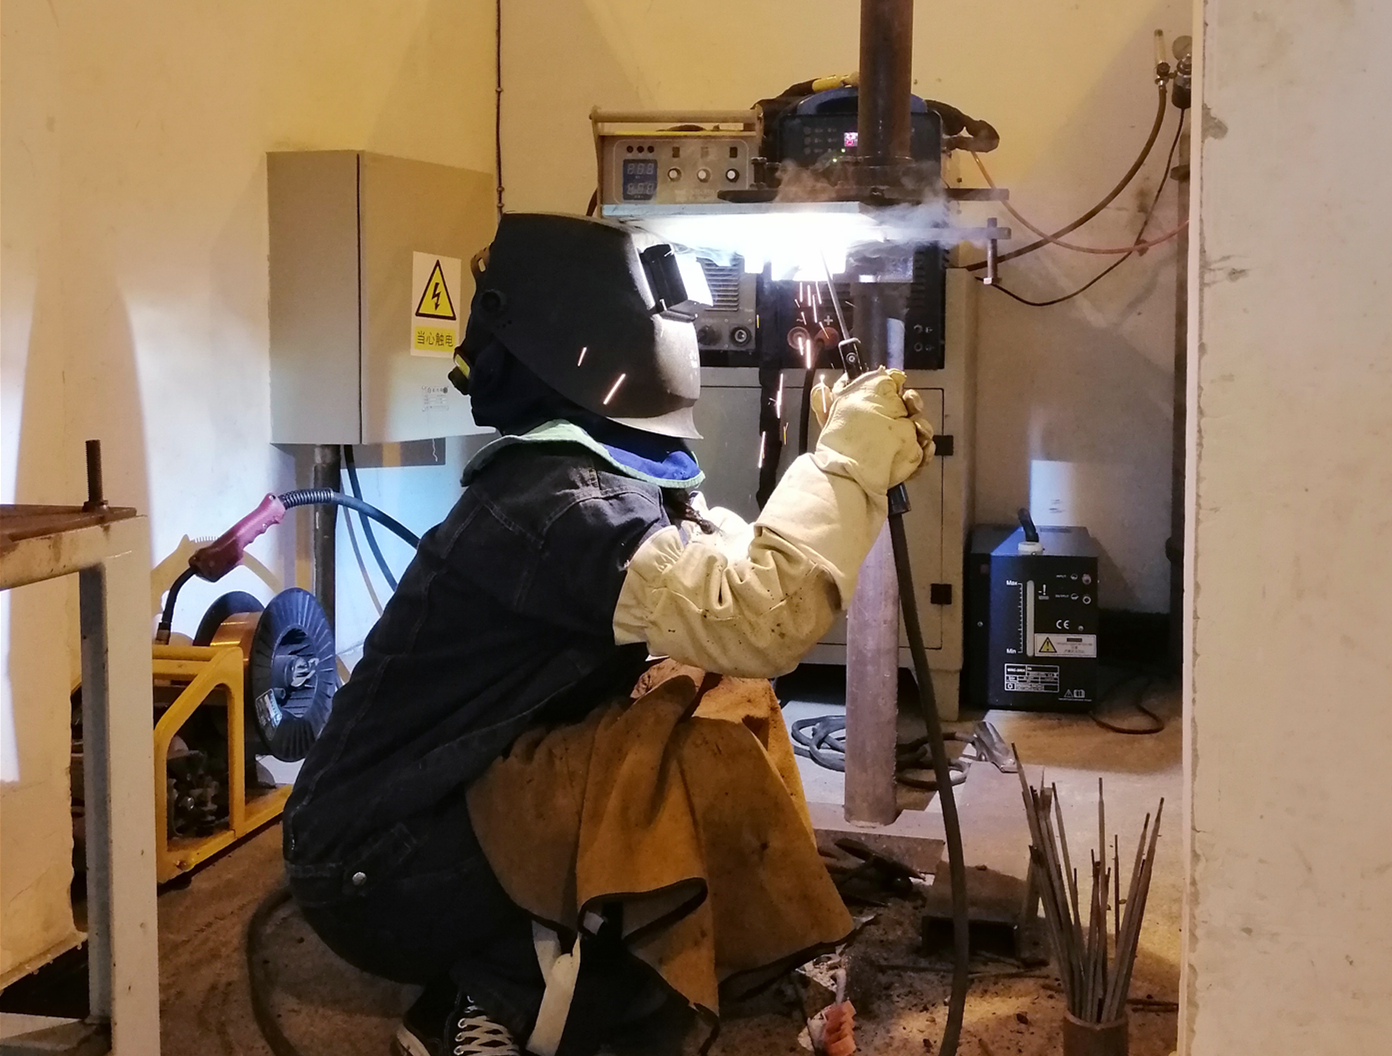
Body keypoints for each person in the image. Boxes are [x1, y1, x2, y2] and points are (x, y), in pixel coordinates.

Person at [281, 213, 934, 1056]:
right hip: (375, 867)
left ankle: (601, 959)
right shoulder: (562, 506)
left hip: (436, 814)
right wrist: (845, 463)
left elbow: (732, 585)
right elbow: (759, 616)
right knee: (679, 773)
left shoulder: (594, 479)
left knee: (716, 702)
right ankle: (490, 994)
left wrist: (845, 467)